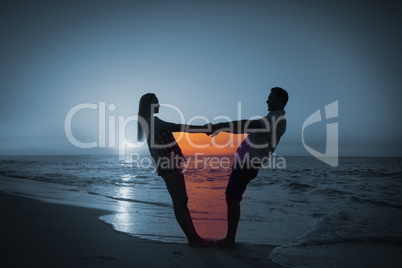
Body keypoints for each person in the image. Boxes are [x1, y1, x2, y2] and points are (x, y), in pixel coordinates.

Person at [210, 87, 288, 247]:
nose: (267, 100)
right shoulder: (273, 118)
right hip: (245, 163)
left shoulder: (276, 120)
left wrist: (220, 126)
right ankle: (229, 239)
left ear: (280, 100)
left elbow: (247, 124)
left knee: (232, 198)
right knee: (232, 197)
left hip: (247, 164)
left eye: (270, 97)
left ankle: (230, 240)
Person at [137, 93, 210, 247]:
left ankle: (195, 236)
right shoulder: (153, 121)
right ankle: (193, 239)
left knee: (183, 201)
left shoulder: (149, 122)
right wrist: (204, 128)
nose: (159, 105)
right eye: (156, 103)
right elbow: (178, 127)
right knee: (179, 202)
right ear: (149, 105)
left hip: (168, 164)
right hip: (168, 165)